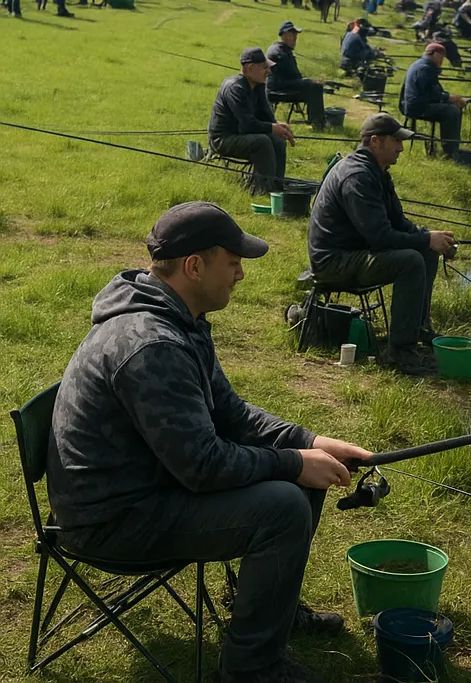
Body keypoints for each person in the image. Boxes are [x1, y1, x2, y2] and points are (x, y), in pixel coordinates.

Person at [47, 201, 371, 683]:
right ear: (194, 267)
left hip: (148, 486)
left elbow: (232, 415)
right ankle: (252, 669)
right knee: (283, 504)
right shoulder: (153, 344)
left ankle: (269, 610)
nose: (241, 273)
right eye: (233, 261)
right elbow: (202, 466)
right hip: (111, 520)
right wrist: (292, 462)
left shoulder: (179, 318)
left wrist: (311, 441)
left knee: (302, 474)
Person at [307, 114, 456, 376]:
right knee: (410, 261)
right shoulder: (357, 177)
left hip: (355, 252)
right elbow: (380, 237)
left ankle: (415, 330)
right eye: (396, 141)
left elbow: (398, 223)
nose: (400, 147)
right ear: (375, 141)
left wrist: (430, 237)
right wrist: (423, 239)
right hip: (334, 262)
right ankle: (399, 353)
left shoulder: (378, 172)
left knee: (426, 250)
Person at [208, 48, 295, 195]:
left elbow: (267, 117)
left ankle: (277, 187)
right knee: (262, 142)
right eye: (264, 67)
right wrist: (272, 128)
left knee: (278, 140)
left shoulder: (258, 84)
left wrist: (279, 127)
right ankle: (264, 191)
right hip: (223, 139)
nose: (269, 72)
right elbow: (247, 124)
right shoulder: (235, 88)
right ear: (250, 68)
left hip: (242, 134)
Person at [399, 42, 468, 160]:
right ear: (435, 54)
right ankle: (450, 152)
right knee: (452, 112)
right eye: (441, 58)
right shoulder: (425, 68)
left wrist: (448, 98)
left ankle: (452, 147)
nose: (442, 62)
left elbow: (435, 92)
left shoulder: (421, 65)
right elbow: (435, 95)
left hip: (412, 104)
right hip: (416, 108)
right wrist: (453, 99)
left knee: (450, 108)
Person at [267, 21, 326, 130]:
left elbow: (295, 76)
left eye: (295, 36)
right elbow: (294, 75)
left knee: (313, 86)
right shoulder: (280, 52)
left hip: (283, 85)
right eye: (292, 35)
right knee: (315, 86)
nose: (295, 39)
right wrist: (308, 81)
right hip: (278, 89)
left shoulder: (283, 50)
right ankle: (317, 123)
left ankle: (317, 120)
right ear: (284, 35)